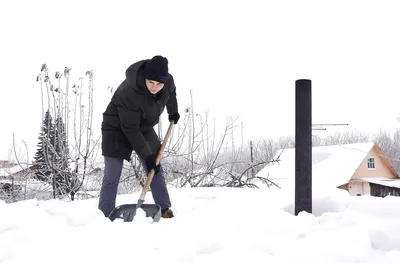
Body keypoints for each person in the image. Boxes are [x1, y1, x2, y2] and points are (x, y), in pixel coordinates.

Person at [98, 55, 180, 219]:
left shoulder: (167, 82)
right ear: (144, 78)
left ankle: (163, 208)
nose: (155, 87)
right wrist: (146, 156)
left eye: (159, 84)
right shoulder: (130, 91)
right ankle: (105, 215)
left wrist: (173, 111)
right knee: (113, 172)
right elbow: (130, 129)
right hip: (115, 128)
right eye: (151, 82)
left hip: (143, 126)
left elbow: (171, 94)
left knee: (155, 166)